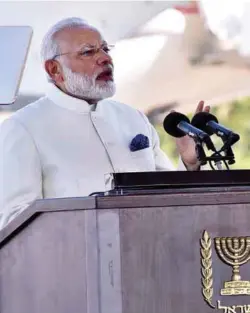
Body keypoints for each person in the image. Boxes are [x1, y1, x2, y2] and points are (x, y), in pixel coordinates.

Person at [0, 17, 210, 229]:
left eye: (105, 49)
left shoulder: (132, 118)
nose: (104, 58)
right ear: (54, 69)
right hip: (73, 259)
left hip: (148, 252)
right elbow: (15, 222)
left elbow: (168, 198)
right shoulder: (23, 128)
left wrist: (190, 163)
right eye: (88, 52)